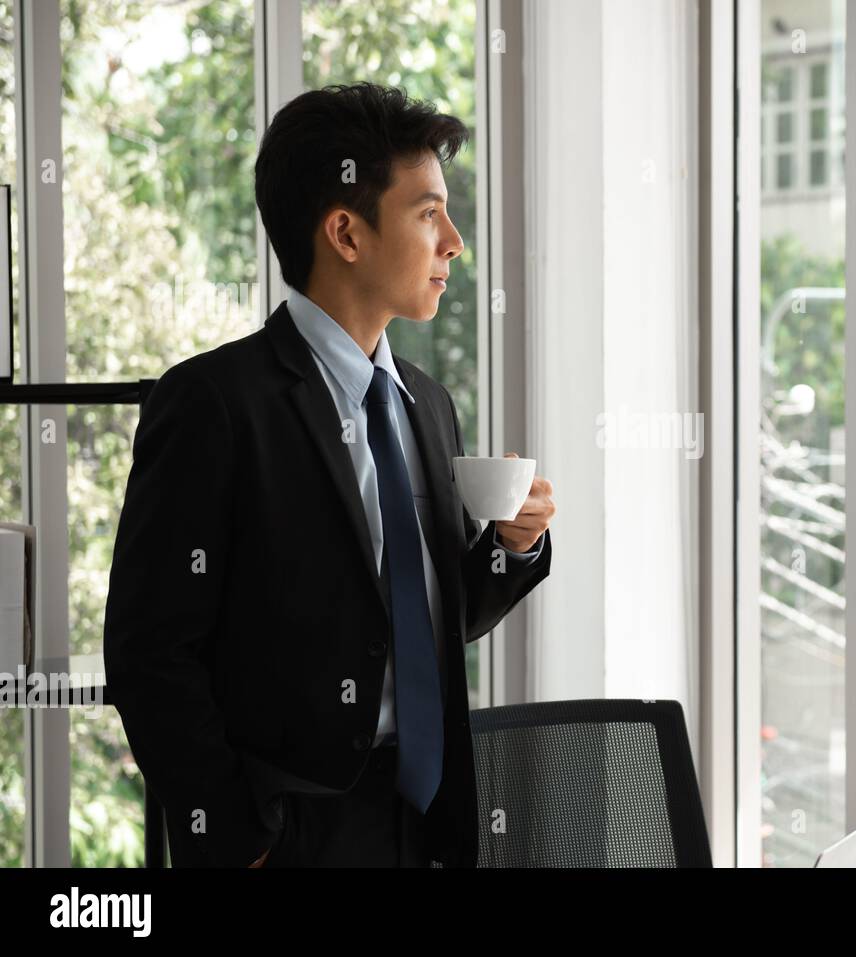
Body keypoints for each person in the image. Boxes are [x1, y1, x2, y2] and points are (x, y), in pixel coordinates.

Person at [103, 82, 554, 867]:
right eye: (427, 212)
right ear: (346, 232)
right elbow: (149, 651)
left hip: (425, 819)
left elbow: (425, 621)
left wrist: (510, 547)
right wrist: (237, 840)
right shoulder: (213, 403)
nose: (454, 240)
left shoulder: (427, 403)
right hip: (289, 828)